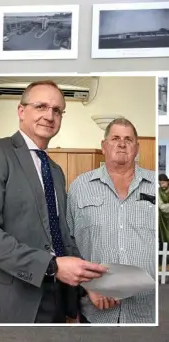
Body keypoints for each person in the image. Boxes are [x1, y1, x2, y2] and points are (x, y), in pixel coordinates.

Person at [0, 80, 108, 324]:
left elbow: (63, 235)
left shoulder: (55, 170)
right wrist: (51, 265)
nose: (49, 115)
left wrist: (88, 282)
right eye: (41, 106)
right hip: (17, 294)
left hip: (58, 295)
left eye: (57, 110)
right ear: (21, 111)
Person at [67, 118, 156, 324]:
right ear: (104, 146)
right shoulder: (80, 187)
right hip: (96, 309)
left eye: (128, 139)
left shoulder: (155, 187)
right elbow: (68, 243)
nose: (122, 143)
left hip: (147, 312)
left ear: (137, 147)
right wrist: (88, 285)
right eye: (115, 138)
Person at [158, 173, 169, 245]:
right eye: (160, 183)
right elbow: (161, 206)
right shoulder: (159, 191)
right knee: (164, 237)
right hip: (163, 220)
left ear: (168, 181)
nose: (162, 185)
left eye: (163, 183)